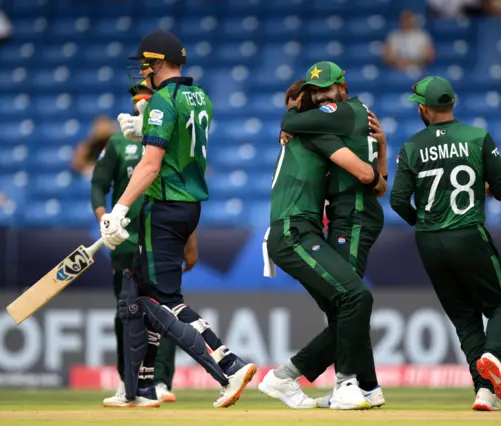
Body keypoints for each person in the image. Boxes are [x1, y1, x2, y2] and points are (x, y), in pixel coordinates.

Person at [100, 30, 256, 408]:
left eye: (145, 64)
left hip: (164, 206)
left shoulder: (162, 100)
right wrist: (144, 131)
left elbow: (152, 165)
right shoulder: (199, 96)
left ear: (157, 62)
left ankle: (228, 364)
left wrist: (118, 210)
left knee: (162, 298)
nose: (142, 71)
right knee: (140, 292)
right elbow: (180, 143)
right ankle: (142, 387)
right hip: (188, 206)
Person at [390, 76, 501, 411]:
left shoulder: (412, 146)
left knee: (465, 320)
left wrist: (424, 221)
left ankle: (484, 393)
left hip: (429, 241)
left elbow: (398, 201)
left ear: (423, 108)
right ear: (453, 104)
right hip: (468, 232)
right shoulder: (477, 138)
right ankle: (494, 356)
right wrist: (484, 187)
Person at [259, 79, 387, 410]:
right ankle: (302, 378)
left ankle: (368, 386)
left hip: (299, 230)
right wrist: (376, 177)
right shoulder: (316, 134)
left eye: (293, 103)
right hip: (294, 229)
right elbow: (363, 173)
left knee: (346, 309)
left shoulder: (305, 133)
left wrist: (380, 146)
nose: (290, 110)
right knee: (356, 297)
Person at [92, 80, 180, 405]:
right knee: (126, 312)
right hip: (125, 240)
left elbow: (181, 190)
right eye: (138, 96)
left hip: (160, 233)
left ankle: (160, 381)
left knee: (162, 309)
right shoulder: (117, 142)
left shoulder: (168, 140)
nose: (141, 100)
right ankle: (126, 379)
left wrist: (191, 239)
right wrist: (105, 218)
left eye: (148, 96)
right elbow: (98, 186)